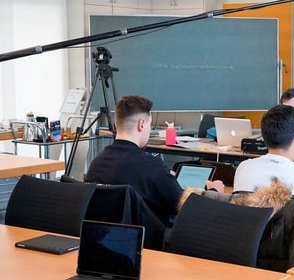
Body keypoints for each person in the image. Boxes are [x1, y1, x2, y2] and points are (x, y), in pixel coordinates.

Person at [86, 95, 223, 226]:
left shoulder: (96, 164)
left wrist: (163, 178)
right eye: (150, 125)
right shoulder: (152, 167)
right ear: (141, 124)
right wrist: (214, 192)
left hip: (103, 241)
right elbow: (185, 208)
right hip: (148, 244)